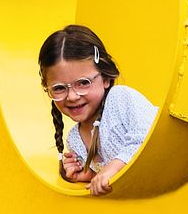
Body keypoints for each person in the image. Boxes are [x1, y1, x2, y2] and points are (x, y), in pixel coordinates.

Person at [39, 24, 158, 196]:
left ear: (106, 78)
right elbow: (109, 177)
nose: (72, 96)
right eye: (59, 88)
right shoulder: (75, 140)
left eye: (83, 83)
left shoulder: (120, 99)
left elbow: (148, 138)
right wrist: (87, 175)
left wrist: (110, 169)